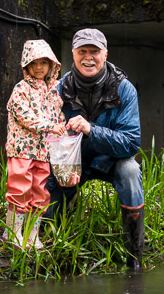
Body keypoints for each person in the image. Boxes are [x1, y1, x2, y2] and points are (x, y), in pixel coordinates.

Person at [44, 29, 144, 270]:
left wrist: (91, 130)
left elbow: (131, 142)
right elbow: (43, 137)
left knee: (131, 171)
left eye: (94, 52)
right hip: (69, 161)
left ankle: (135, 257)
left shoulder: (124, 89)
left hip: (111, 160)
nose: (88, 57)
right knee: (48, 177)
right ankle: (51, 250)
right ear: (73, 54)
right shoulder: (57, 89)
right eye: (82, 52)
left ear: (105, 54)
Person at [4, 40, 65, 249]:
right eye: (34, 63)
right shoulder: (21, 88)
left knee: (40, 192)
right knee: (19, 189)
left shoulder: (54, 92)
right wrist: (51, 125)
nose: (39, 67)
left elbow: (59, 117)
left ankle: (31, 235)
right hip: (21, 149)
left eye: (44, 63)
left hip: (43, 152)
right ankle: (12, 233)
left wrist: (63, 128)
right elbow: (24, 116)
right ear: (26, 65)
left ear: (51, 66)